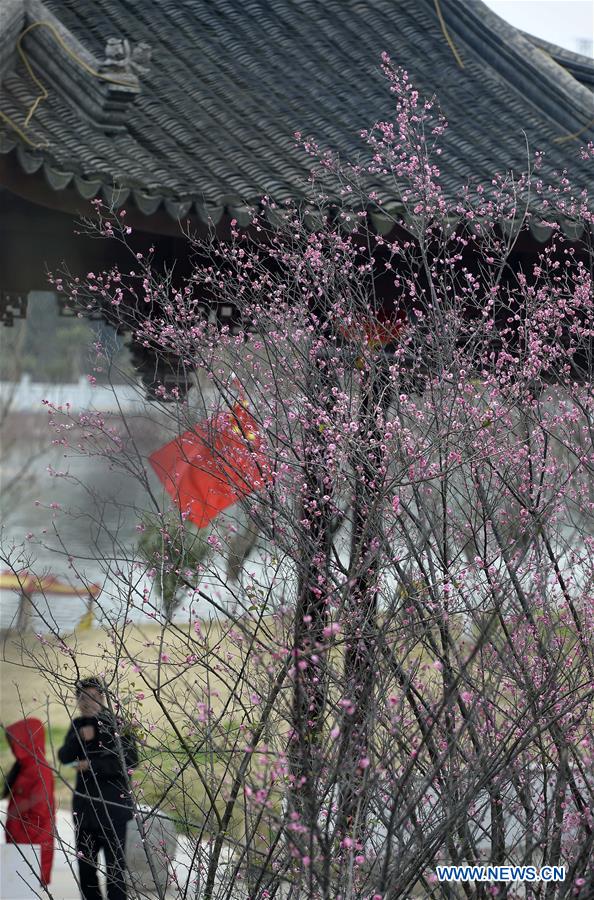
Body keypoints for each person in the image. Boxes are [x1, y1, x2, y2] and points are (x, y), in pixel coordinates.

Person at [58, 677, 138, 900]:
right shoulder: (77, 725)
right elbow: (63, 757)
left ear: (102, 698)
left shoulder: (118, 725)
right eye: (82, 697)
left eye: (93, 697)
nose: (87, 702)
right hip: (84, 811)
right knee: (86, 871)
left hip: (114, 811)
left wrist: (92, 765)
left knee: (115, 872)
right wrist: (79, 740)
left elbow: (131, 761)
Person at [3, 717, 55, 886]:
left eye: (16, 742)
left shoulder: (40, 770)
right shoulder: (25, 766)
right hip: (21, 844)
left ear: (27, 741)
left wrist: (18, 839)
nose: (13, 747)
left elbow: (39, 814)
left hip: (32, 846)